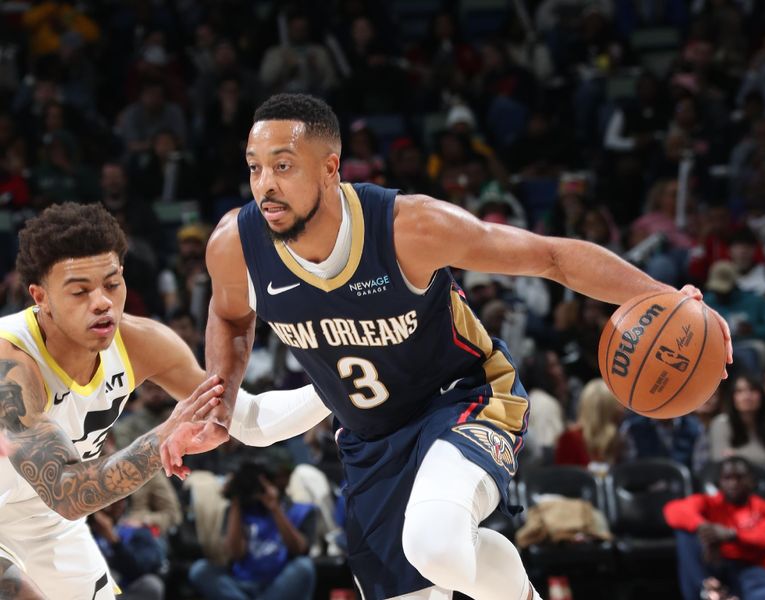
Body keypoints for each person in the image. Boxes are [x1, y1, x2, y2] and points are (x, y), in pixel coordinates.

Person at [163, 93, 732, 600]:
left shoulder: (408, 227)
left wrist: (667, 295)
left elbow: (550, 256)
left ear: (330, 168)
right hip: (368, 436)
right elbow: (229, 314)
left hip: (464, 396)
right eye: (255, 167)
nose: (265, 184)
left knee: (435, 543)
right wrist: (222, 397)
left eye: (283, 167)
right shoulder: (234, 245)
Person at [0, 203, 230, 599]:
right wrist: (161, 441)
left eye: (111, 284)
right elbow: (68, 492)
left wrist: (330, 396)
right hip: (52, 501)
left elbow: (241, 412)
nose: (102, 301)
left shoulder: (142, 342)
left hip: (41, 518)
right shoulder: (9, 361)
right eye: (80, 291)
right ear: (41, 297)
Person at [188, 458, 317, 600]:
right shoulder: (237, 511)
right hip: (241, 584)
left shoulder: (298, 509)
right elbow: (235, 553)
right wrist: (235, 498)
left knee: (304, 567)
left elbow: (300, 549)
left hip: (278, 583)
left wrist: (275, 508)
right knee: (200, 570)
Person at [664, 456, 765, 600]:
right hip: (717, 565)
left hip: (753, 568)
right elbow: (672, 510)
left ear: (752, 481)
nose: (733, 483)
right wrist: (703, 527)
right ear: (719, 482)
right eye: (727, 478)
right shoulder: (709, 502)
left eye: (739, 478)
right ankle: (706, 590)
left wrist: (731, 535)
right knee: (685, 533)